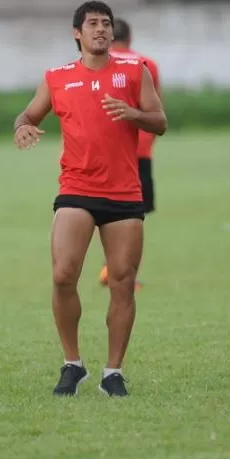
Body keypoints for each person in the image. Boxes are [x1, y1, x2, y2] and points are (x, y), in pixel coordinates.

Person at [13, 0, 167, 397]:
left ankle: (113, 371)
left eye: (106, 23)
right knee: (63, 275)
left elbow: (159, 121)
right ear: (76, 33)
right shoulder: (57, 77)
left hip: (123, 193)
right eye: (93, 24)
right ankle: (73, 364)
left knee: (122, 282)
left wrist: (133, 113)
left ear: (113, 33)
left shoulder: (135, 71)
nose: (100, 29)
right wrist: (23, 128)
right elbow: (27, 115)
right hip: (76, 189)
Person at [98, 17, 162, 291]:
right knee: (133, 215)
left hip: (101, 152)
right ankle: (122, 273)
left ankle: (110, 268)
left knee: (99, 210)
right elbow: (155, 109)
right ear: (131, 37)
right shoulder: (146, 64)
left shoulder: (94, 64)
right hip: (139, 149)